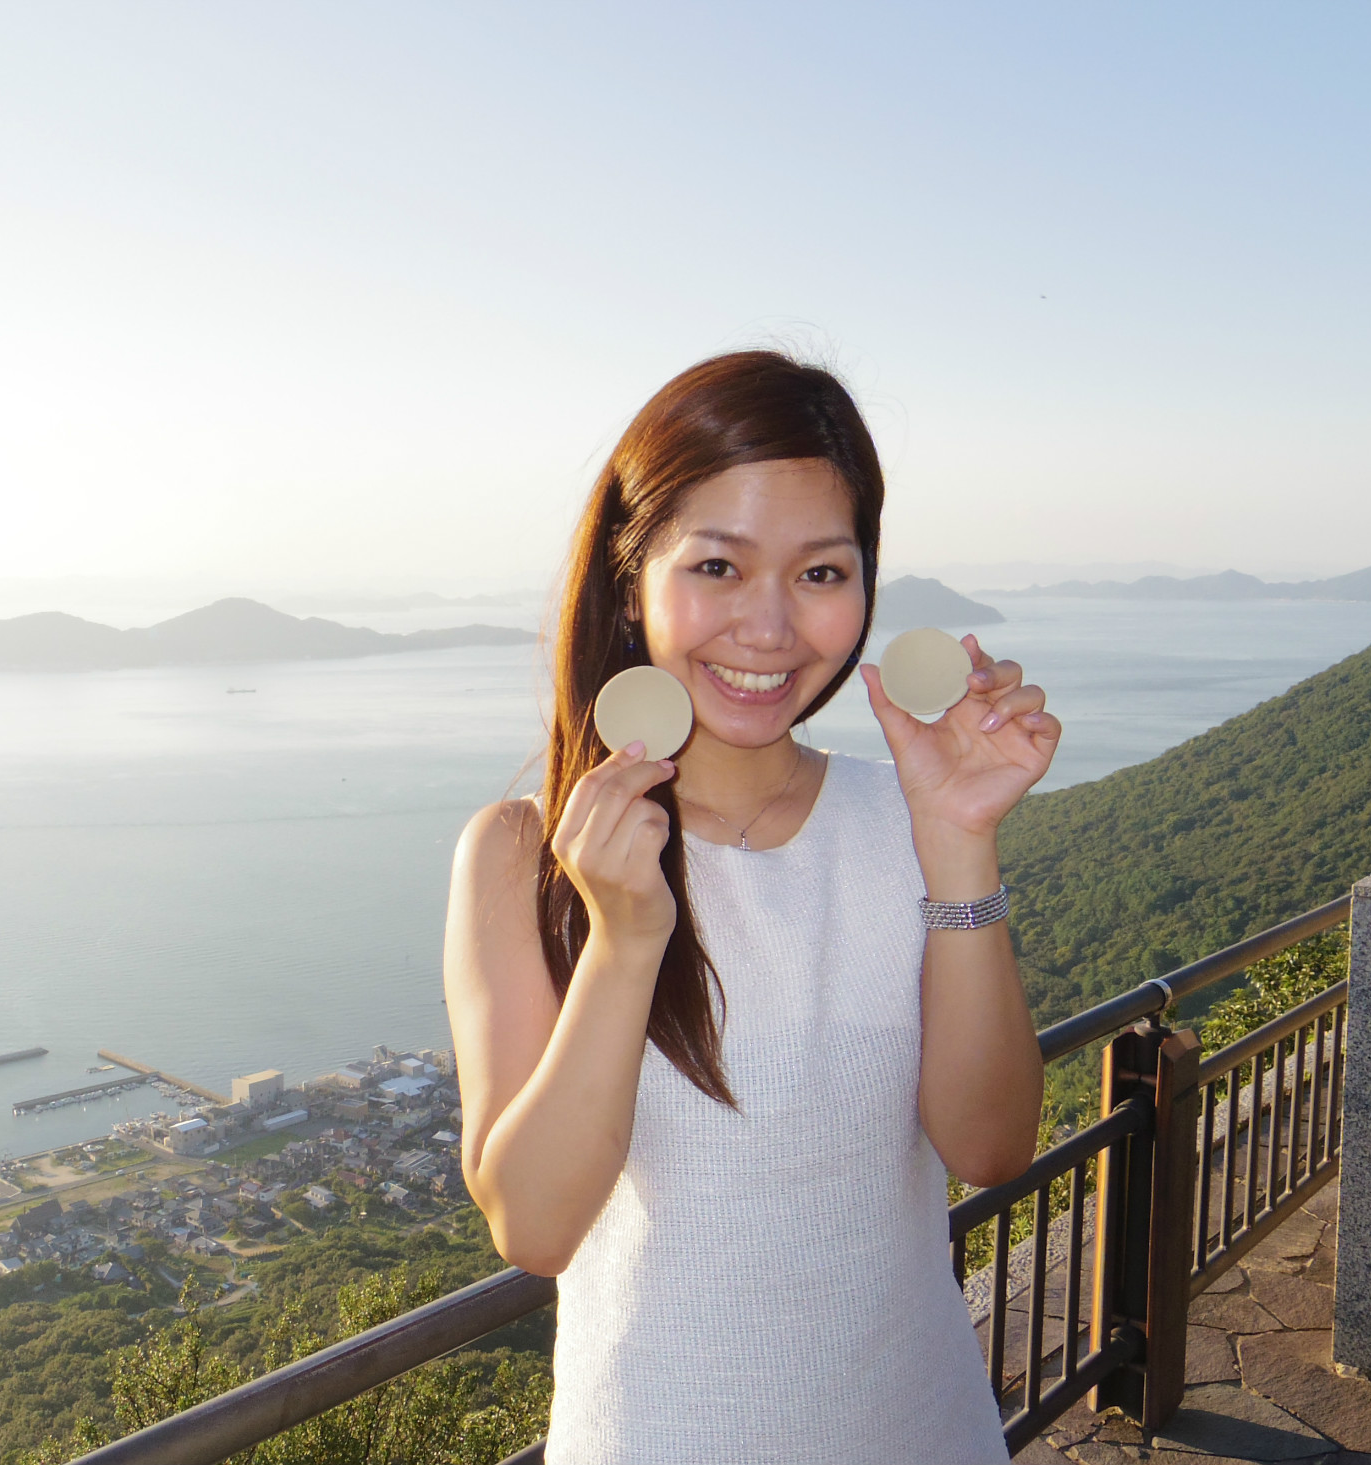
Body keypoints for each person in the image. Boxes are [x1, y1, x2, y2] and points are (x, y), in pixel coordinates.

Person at [444, 351, 1056, 1463]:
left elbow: (991, 1146)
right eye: (719, 566)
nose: (771, 629)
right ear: (632, 578)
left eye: (821, 574)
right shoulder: (523, 855)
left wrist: (961, 844)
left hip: (921, 1429)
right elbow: (533, 1224)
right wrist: (627, 938)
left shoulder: (905, 818)